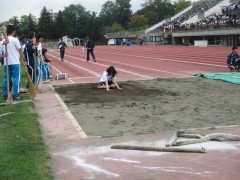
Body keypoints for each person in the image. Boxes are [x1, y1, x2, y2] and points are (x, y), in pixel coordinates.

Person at [2, 25, 25, 100]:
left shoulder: (3, 40)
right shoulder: (15, 40)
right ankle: (15, 94)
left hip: (6, 62)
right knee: (16, 78)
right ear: (13, 31)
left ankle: (5, 94)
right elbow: (20, 51)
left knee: (6, 79)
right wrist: (24, 60)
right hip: (15, 62)